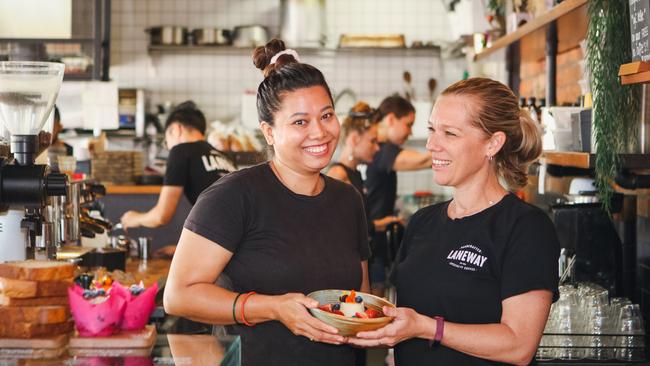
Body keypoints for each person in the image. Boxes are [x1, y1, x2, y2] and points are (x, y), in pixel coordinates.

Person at [163, 39, 371, 366]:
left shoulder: (348, 200)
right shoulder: (233, 196)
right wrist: (273, 307)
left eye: (327, 115)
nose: (320, 132)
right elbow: (179, 295)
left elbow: (358, 297)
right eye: (300, 122)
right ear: (269, 132)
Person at [348, 78, 560, 365]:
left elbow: (519, 345)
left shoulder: (526, 228)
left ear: (493, 144)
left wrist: (427, 328)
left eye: (450, 133)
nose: (432, 145)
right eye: (432, 130)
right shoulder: (421, 223)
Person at [120, 101, 235, 256]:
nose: (168, 147)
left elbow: (161, 216)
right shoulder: (223, 157)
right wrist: (183, 251)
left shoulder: (180, 151)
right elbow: (224, 220)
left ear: (176, 129)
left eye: (167, 140)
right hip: (244, 245)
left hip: (233, 250)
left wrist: (135, 218)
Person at [364, 95, 431, 296]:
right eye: (408, 124)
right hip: (371, 245)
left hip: (373, 242)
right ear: (391, 119)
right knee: (370, 312)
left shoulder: (376, 147)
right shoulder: (382, 149)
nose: (410, 132)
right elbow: (420, 161)